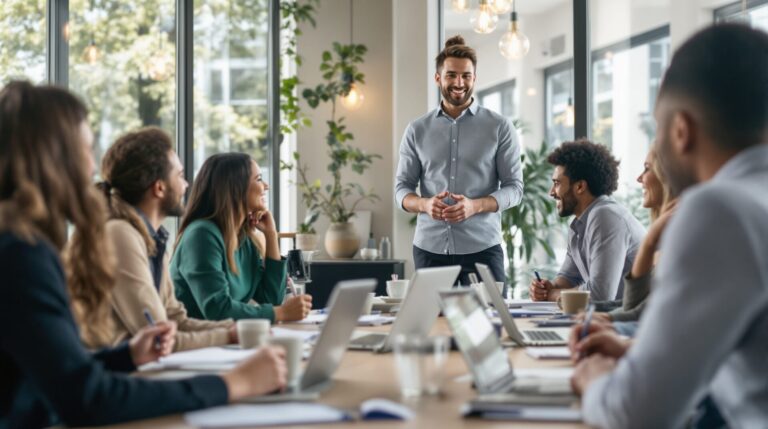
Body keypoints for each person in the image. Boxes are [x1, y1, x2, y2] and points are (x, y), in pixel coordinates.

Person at [0, 81, 287, 428]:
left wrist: (125, 357)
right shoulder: (21, 256)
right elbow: (87, 398)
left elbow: (57, 372)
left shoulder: (22, 246)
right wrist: (234, 383)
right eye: (86, 150)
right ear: (53, 160)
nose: (92, 167)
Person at [570, 23, 768, 428]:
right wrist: (639, 350)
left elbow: (635, 415)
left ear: (681, 130)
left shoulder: (721, 209)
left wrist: (595, 380)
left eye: (657, 130)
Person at [394, 35, 523, 286]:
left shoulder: (499, 127)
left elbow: (515, 189)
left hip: (483, 248)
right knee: (433, 324)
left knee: (490, 324)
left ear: (474, 78)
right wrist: (424, 204)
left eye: (466, 76)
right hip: (429, 250)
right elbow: (401, 190)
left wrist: (475, 206)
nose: (459, 83)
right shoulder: (417, 129)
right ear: (438, 78)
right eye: (451, 75)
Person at [92, 127, 236, 351]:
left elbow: (176, 321)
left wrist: (236, 329)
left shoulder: (153, 239)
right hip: (116, 376)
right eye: (180, 175)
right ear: (159, 187)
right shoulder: (120, 235)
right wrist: (231, 336)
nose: (186, 185)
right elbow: (158, 339)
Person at [171, 153, 312, 322]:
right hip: (193, 343)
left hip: (224, 341)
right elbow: (218, 309)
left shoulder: (245, 237)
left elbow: (271, 299)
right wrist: (280, 313)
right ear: (235, 188)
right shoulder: (201, 235)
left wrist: (271, 235)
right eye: (259, 179)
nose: (266, 186)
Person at [529, 139, 645, 302]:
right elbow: (569, 277)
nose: (551, 192)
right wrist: (549, 288)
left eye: (556, 183)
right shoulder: (580, 224)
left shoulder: (606, 217)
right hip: (613, 318)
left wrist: (552, 295)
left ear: (580, 187)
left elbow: (600, 295)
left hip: (638, 322)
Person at [589, 145, 678, 331]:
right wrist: (587, 311)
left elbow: (637, 311)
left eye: (647, 168)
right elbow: (638, 307)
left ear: (668, 175)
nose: (639, 178)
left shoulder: (680, 236)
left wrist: (599, 318)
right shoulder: (668, 231)